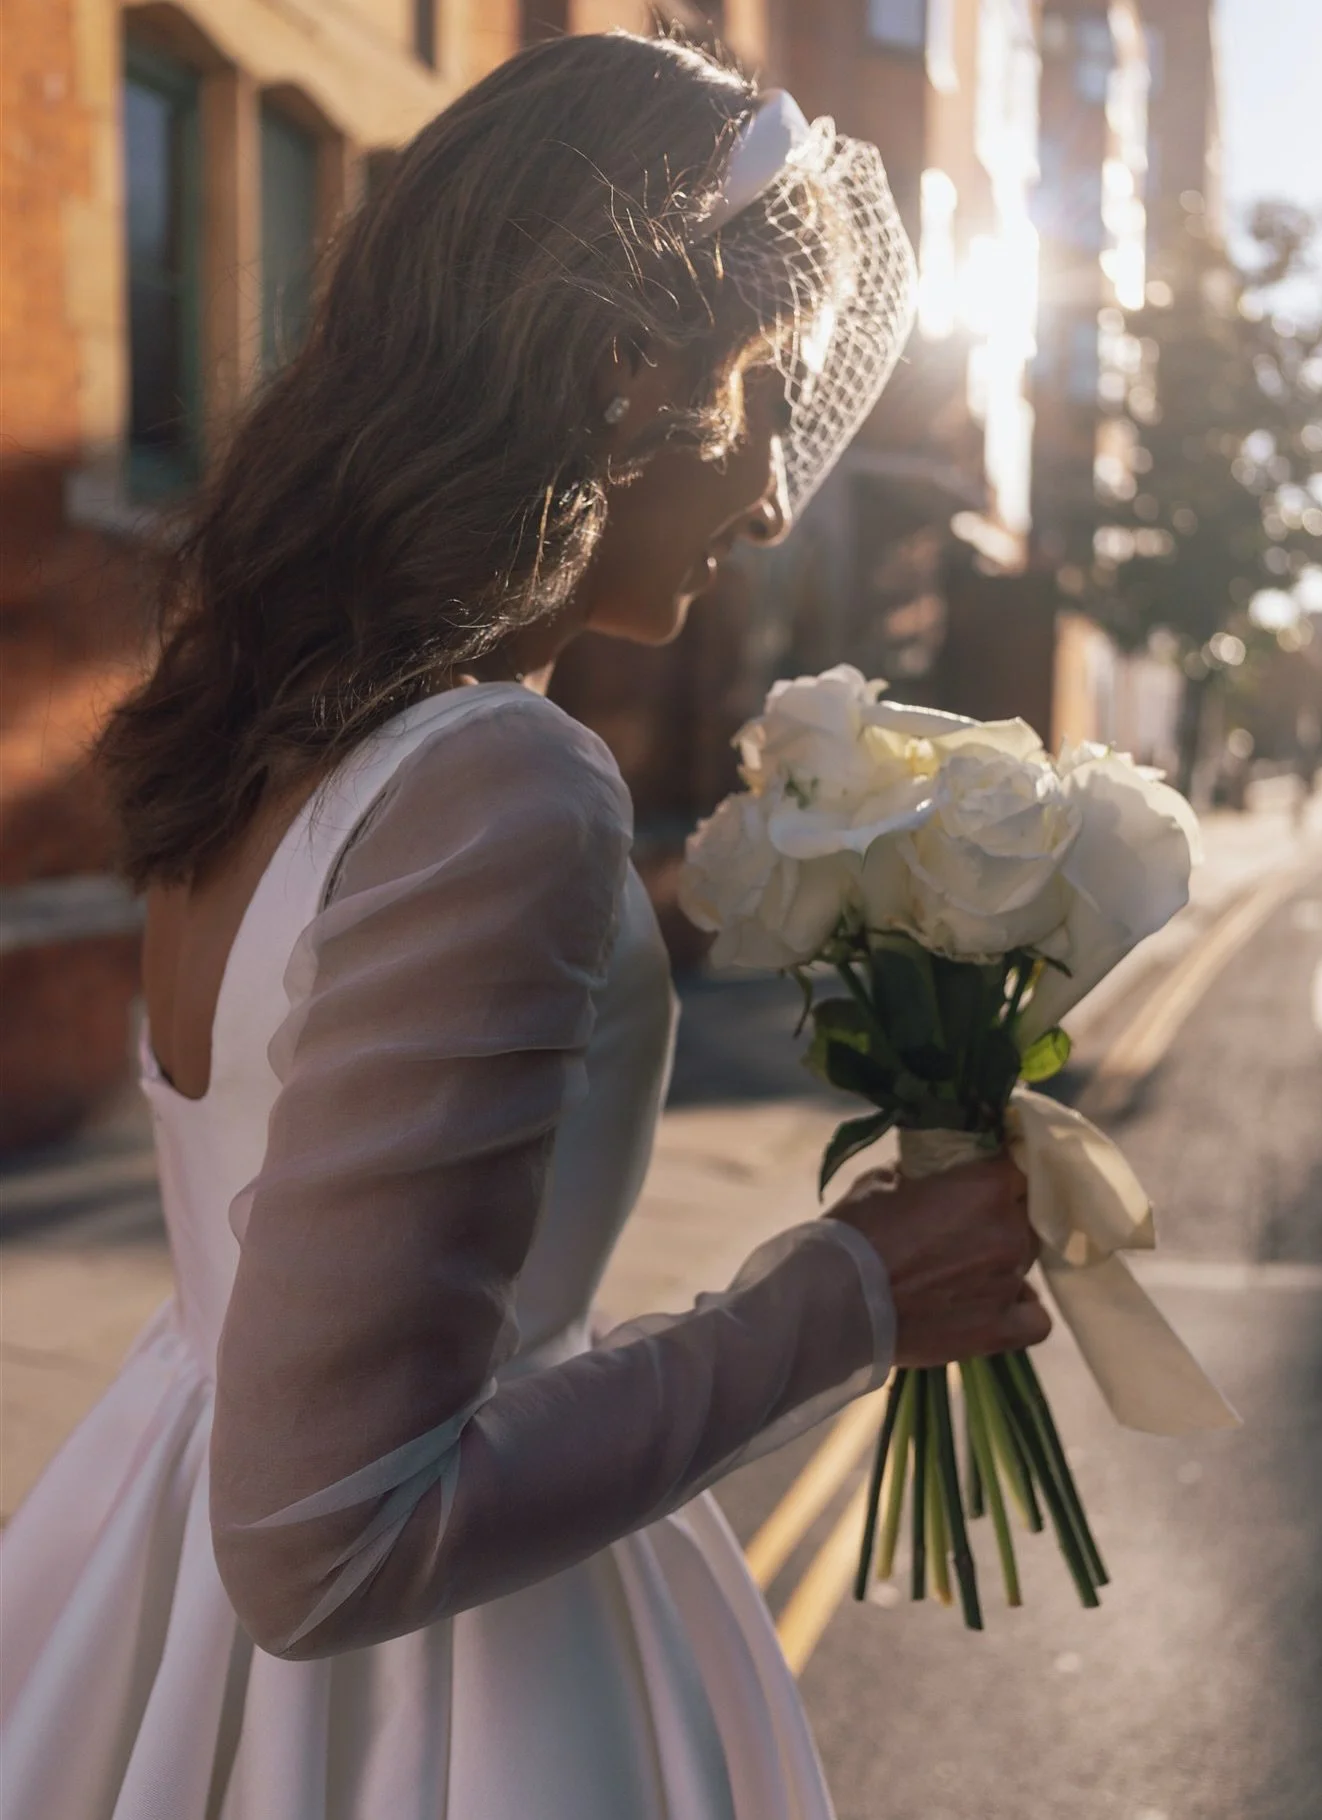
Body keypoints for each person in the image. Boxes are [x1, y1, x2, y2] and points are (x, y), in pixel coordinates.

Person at [0, 33, 1048, 1820]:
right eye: (769, 392)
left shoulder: (263, 720)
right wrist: (853, 1296)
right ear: (624, 366)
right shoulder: (504, 780)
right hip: (440, 1713)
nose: (782, 493)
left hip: (150, 1574)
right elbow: (331, 1540)